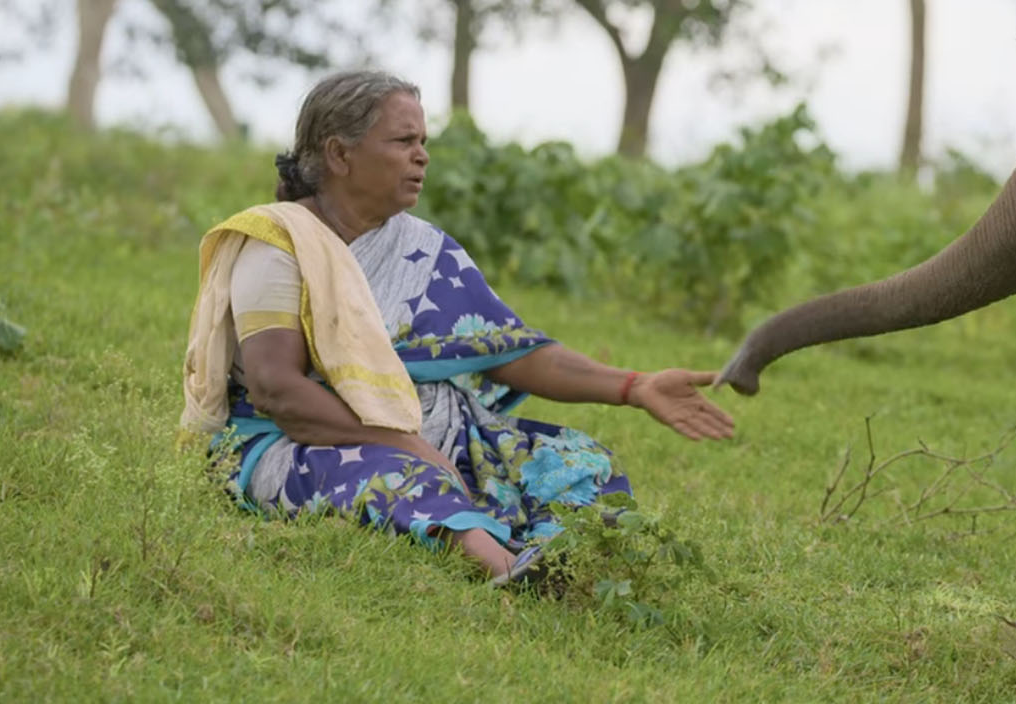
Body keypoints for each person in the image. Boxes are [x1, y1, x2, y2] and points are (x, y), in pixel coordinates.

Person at [179, 70, 734, 584]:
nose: (421, 156)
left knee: (575, 461)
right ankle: (508, 569)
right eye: (403, 141)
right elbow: (278, 391)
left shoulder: (423, 250)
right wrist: (405, 443)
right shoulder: (277, 245)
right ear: (340, 153)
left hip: (431, 434)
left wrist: (635, 386)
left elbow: (512, 350)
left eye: (423, 142)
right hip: (295, 443)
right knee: (403, 475)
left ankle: (562, 556)